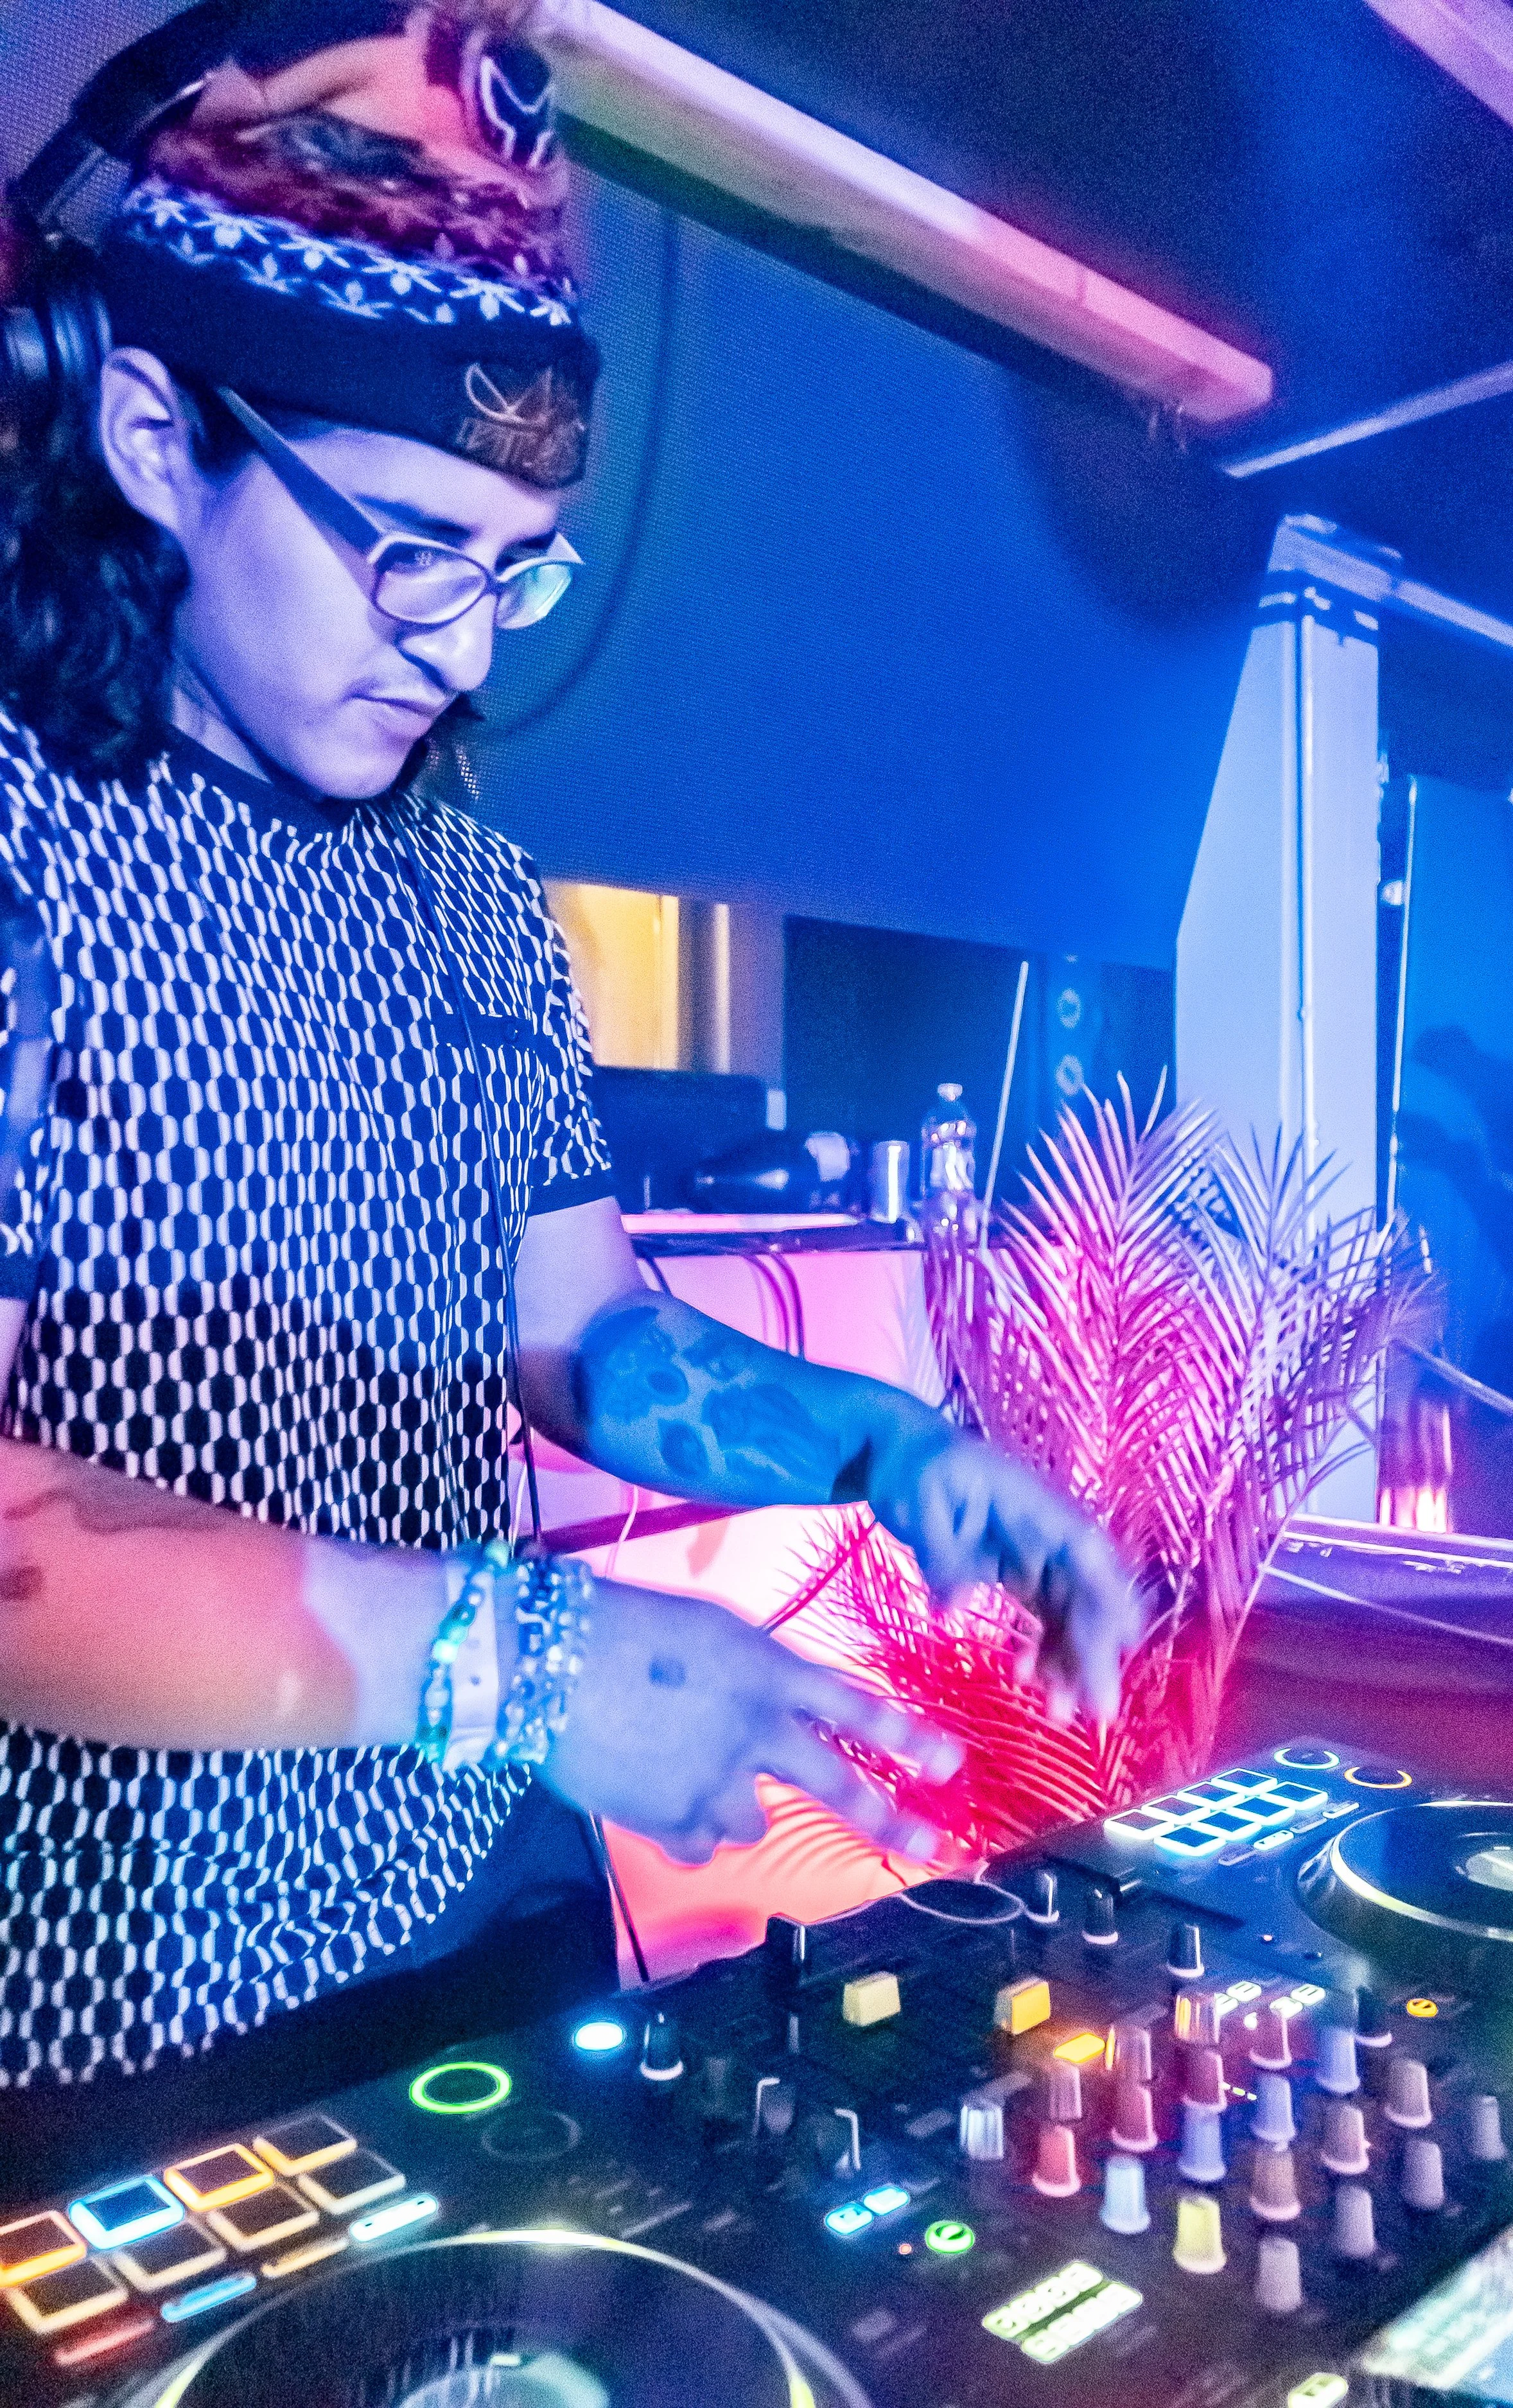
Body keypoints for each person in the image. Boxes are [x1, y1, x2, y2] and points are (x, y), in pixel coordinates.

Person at [0, 0, 1137, 2123]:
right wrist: (516, 1664)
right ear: (154, 439)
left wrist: (895, 1452)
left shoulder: (467, 893)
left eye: (516, 573)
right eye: (406, 548)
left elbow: (582, 1337)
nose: (454, 644)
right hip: (92, 2019)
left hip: (452, 1919)